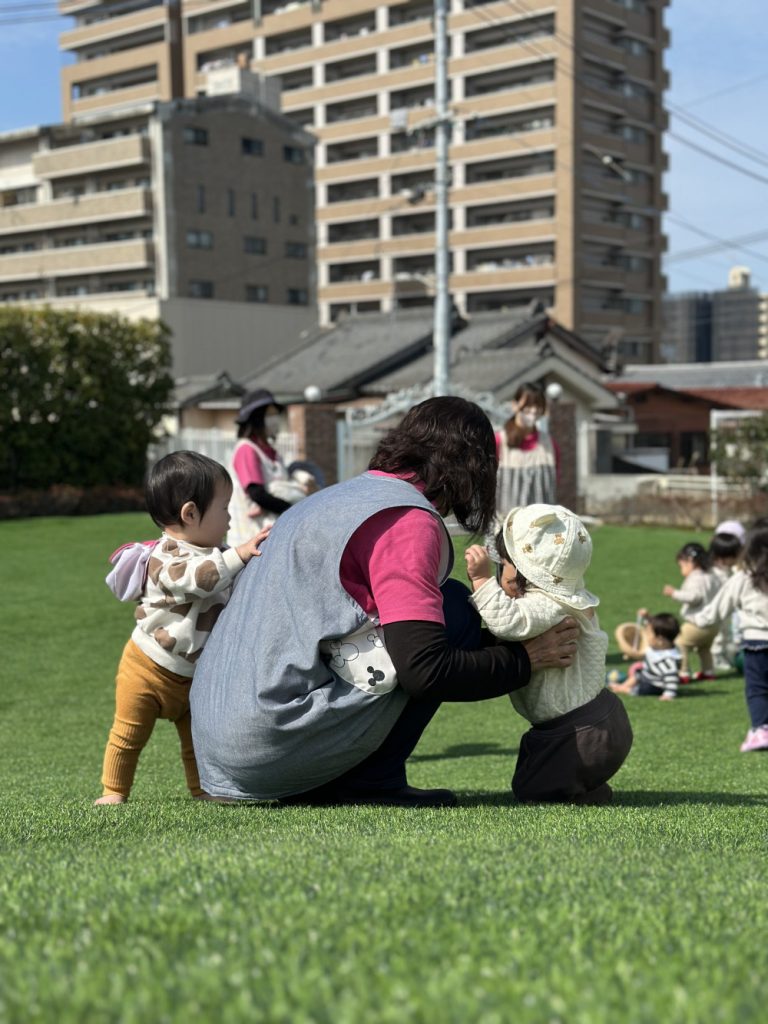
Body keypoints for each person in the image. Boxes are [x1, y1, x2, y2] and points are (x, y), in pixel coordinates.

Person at [190, 396, 580, 808]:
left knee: (439, 615)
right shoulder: (406, 519)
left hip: (219, 748)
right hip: (271, 742)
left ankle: (343, 777)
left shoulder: (339, 497)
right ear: (473, 466)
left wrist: (502, 643)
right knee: (453, 609)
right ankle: (372, 782)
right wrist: (526, 660)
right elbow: (425, 670)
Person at [95, 451, 269, 805]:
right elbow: (199, 580)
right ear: (190, 513)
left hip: (195, 675)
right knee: (129, 734)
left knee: (197, 740)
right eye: (224, 508)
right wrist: (239, 555)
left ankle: (203, 789)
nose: (230, 518)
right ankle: (114, 791)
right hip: (146, 668)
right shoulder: (166, 557)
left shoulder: (218, 554)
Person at [465, 504, 632, 805]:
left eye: (504, 564)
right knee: (542, 771)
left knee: (532, 788)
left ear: (524, 571)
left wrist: (480, 581)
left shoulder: (547, 604)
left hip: (577, 732)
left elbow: (508, 622)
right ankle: (588, 789)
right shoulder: (570, 599)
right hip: (600, 720)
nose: (501, 572)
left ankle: (574, 790)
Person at [689, 525, 768, 751]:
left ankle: (761, 730)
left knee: (758, 689)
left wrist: (697, 619)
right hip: (756, 643)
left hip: (756, 645)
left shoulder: (744, 577)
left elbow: (720, 606)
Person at [228, 388, 313, 547]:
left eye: (275, 414)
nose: (275, 419)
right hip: (250, 538)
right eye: (269, 414)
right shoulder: (246, 449)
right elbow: (257, 493)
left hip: (270, 534)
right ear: (256, 418)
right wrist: (293, 510)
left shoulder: (272, 452)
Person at [495, 381, 558, 515]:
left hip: (542, 522)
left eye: (538, 406)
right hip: (506, 522)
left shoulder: (549, 444)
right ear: (514, 405)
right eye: (528, 405)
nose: (533, 411)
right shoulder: (499, 441)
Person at [662, 541, 721, 683]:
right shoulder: (711, 576)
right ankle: (708, 672)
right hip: (714, 624)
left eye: (682, 565)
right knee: (704, 648)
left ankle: (683, 673)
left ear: (690, 561)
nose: (681, 570)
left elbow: (694, 597)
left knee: (679, 642)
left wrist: (674, 593)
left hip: (698, 623)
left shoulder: (696, 578)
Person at [608, 613, 682, 701]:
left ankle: (625, 689)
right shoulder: (658, 647)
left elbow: (671, 678)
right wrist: (646, 617)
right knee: (637, 674)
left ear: (660, 639)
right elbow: (652, 626)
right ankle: (622, 686)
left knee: (640, 690)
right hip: (647, 675)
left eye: (649, 634)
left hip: (655, 685)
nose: (646, 636)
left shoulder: (667, 660)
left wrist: (668, 694)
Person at [708, 529, 744, 670]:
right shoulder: (715, 573)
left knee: (726, 633)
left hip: (726, 608)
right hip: (716, 608)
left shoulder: (727, 569)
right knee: (719, 633)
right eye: (733, 556)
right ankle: (716, 656)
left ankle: (725, 654)